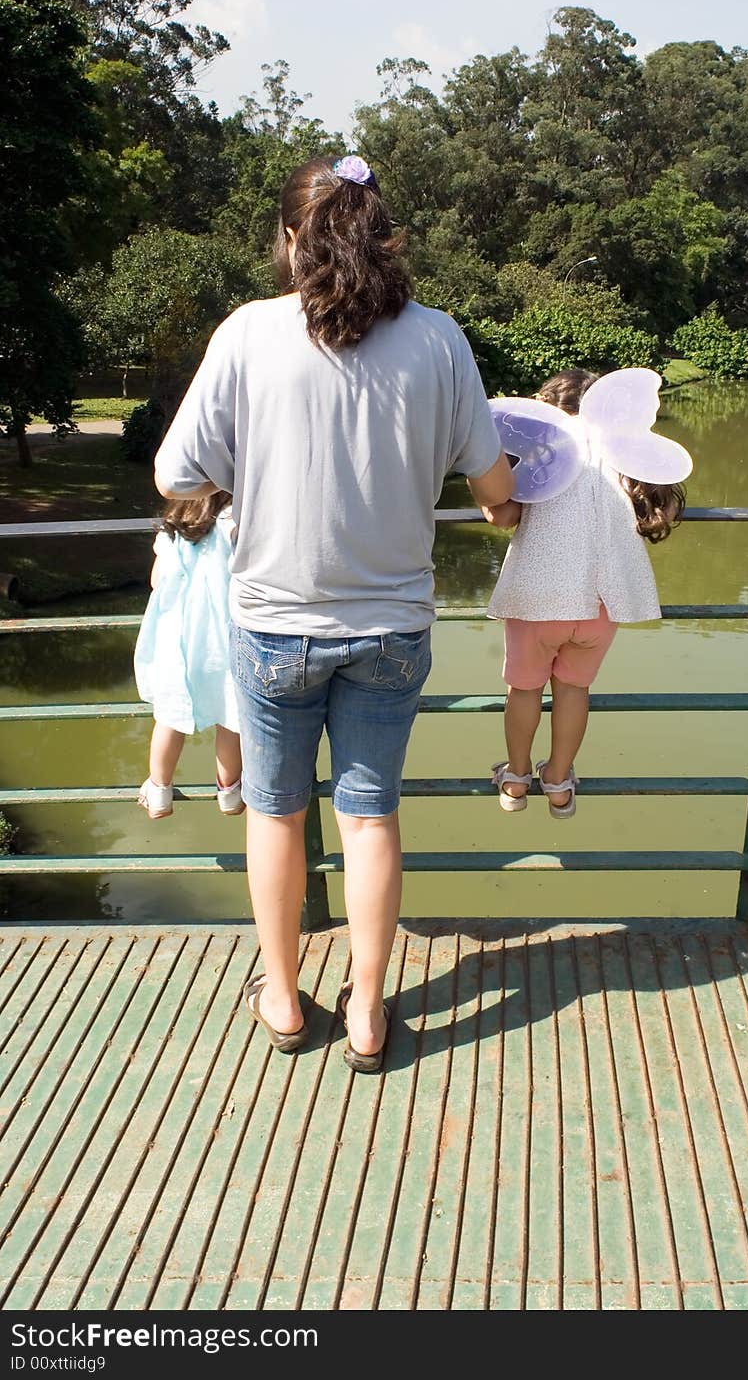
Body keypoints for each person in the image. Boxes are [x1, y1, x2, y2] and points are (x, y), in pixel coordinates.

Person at [152, 154, 512, 1069]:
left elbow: (173, 474)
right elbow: (494, 480)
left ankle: (280, 997)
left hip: (274, 622)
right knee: (370, 816)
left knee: (275, 813)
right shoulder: (437, 339)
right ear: (382, 237)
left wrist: (256, 475)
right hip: (392, 627)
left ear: (288, 239)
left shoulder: (246, 334)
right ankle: (366, 1008)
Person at [483, 367, 685, 818]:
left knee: (524, 689)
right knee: (574, 690)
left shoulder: (545, 450)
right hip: (601, 603)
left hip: (539, 598)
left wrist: (487, 495)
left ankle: (515, 781)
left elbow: (502, 516)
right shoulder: (623, 452)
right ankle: (557, 782)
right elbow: (665, 503)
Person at [134, 491, 244, 820]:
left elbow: (156, 580)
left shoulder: (173, 527)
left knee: (169, 716)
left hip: (174, 638)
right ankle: (229, 793)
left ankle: (159, 790)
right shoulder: (233, 520)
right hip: (220, 638)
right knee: (229, 717)